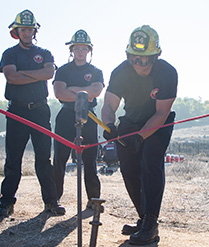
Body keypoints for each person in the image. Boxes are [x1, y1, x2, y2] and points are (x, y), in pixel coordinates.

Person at [101, 25, 177, 245]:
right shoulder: (120, 72)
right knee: (129, 168)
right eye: (136, 59)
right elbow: (109, 105)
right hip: (130, 121)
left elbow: (162, 112)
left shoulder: (167, 72)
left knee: (150, 162)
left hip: (157, 122)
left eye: (147, 60)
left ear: (156, 56)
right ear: (128, 55)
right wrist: (109, 125)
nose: (141, 64)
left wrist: (141, 137)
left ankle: (151, 224)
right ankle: (143, 217)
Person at [0, 9, 65, 216]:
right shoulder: (9, 53)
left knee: (44, 159)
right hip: (16, 111)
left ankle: (51, 202)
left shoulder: (45, 53)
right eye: (23, 29)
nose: (27, 33)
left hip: (40, 110)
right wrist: (36, 76)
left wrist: (23, 73)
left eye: (30, 29)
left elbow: (49, 72)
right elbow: (11, 77)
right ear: (16, 31)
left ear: (34, 30)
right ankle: (6, 203)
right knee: (13, 160)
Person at [53, 30, 104, 211]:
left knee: (90, 160)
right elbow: (59, 92)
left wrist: (72, 90)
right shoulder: (63, 70)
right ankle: (53, 201)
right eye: (77, 48)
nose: (80, 51)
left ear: (89, 50)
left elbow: (95, 92)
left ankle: (93, 199)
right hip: (66, 115)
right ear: (72, 49)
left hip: (89, 115)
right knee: (60, 159)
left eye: (84, 48)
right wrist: (83, 92)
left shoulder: (96, 71)